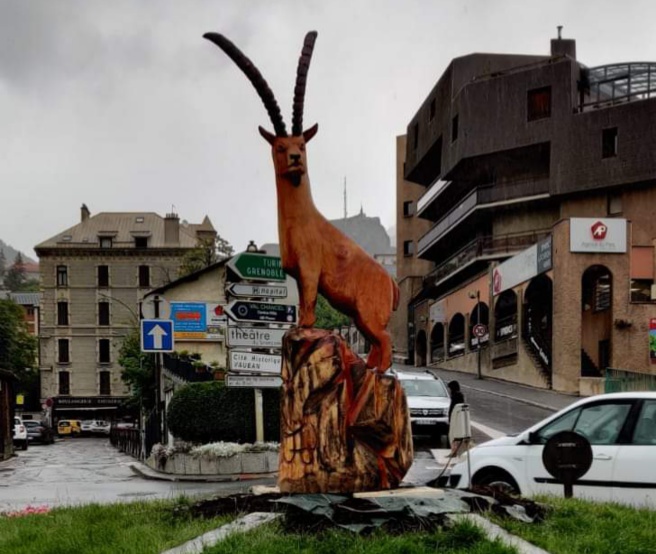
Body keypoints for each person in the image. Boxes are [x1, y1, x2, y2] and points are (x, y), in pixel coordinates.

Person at [447, 380, 465, 452]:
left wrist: (450, 417)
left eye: (450, 388)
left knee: (453, 434)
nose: (449, 391)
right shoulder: (459, 395)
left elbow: (453, 408)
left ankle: (454, 449)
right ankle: (454, 449)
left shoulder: (456, 396)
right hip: (456, 417)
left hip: (455, 418)